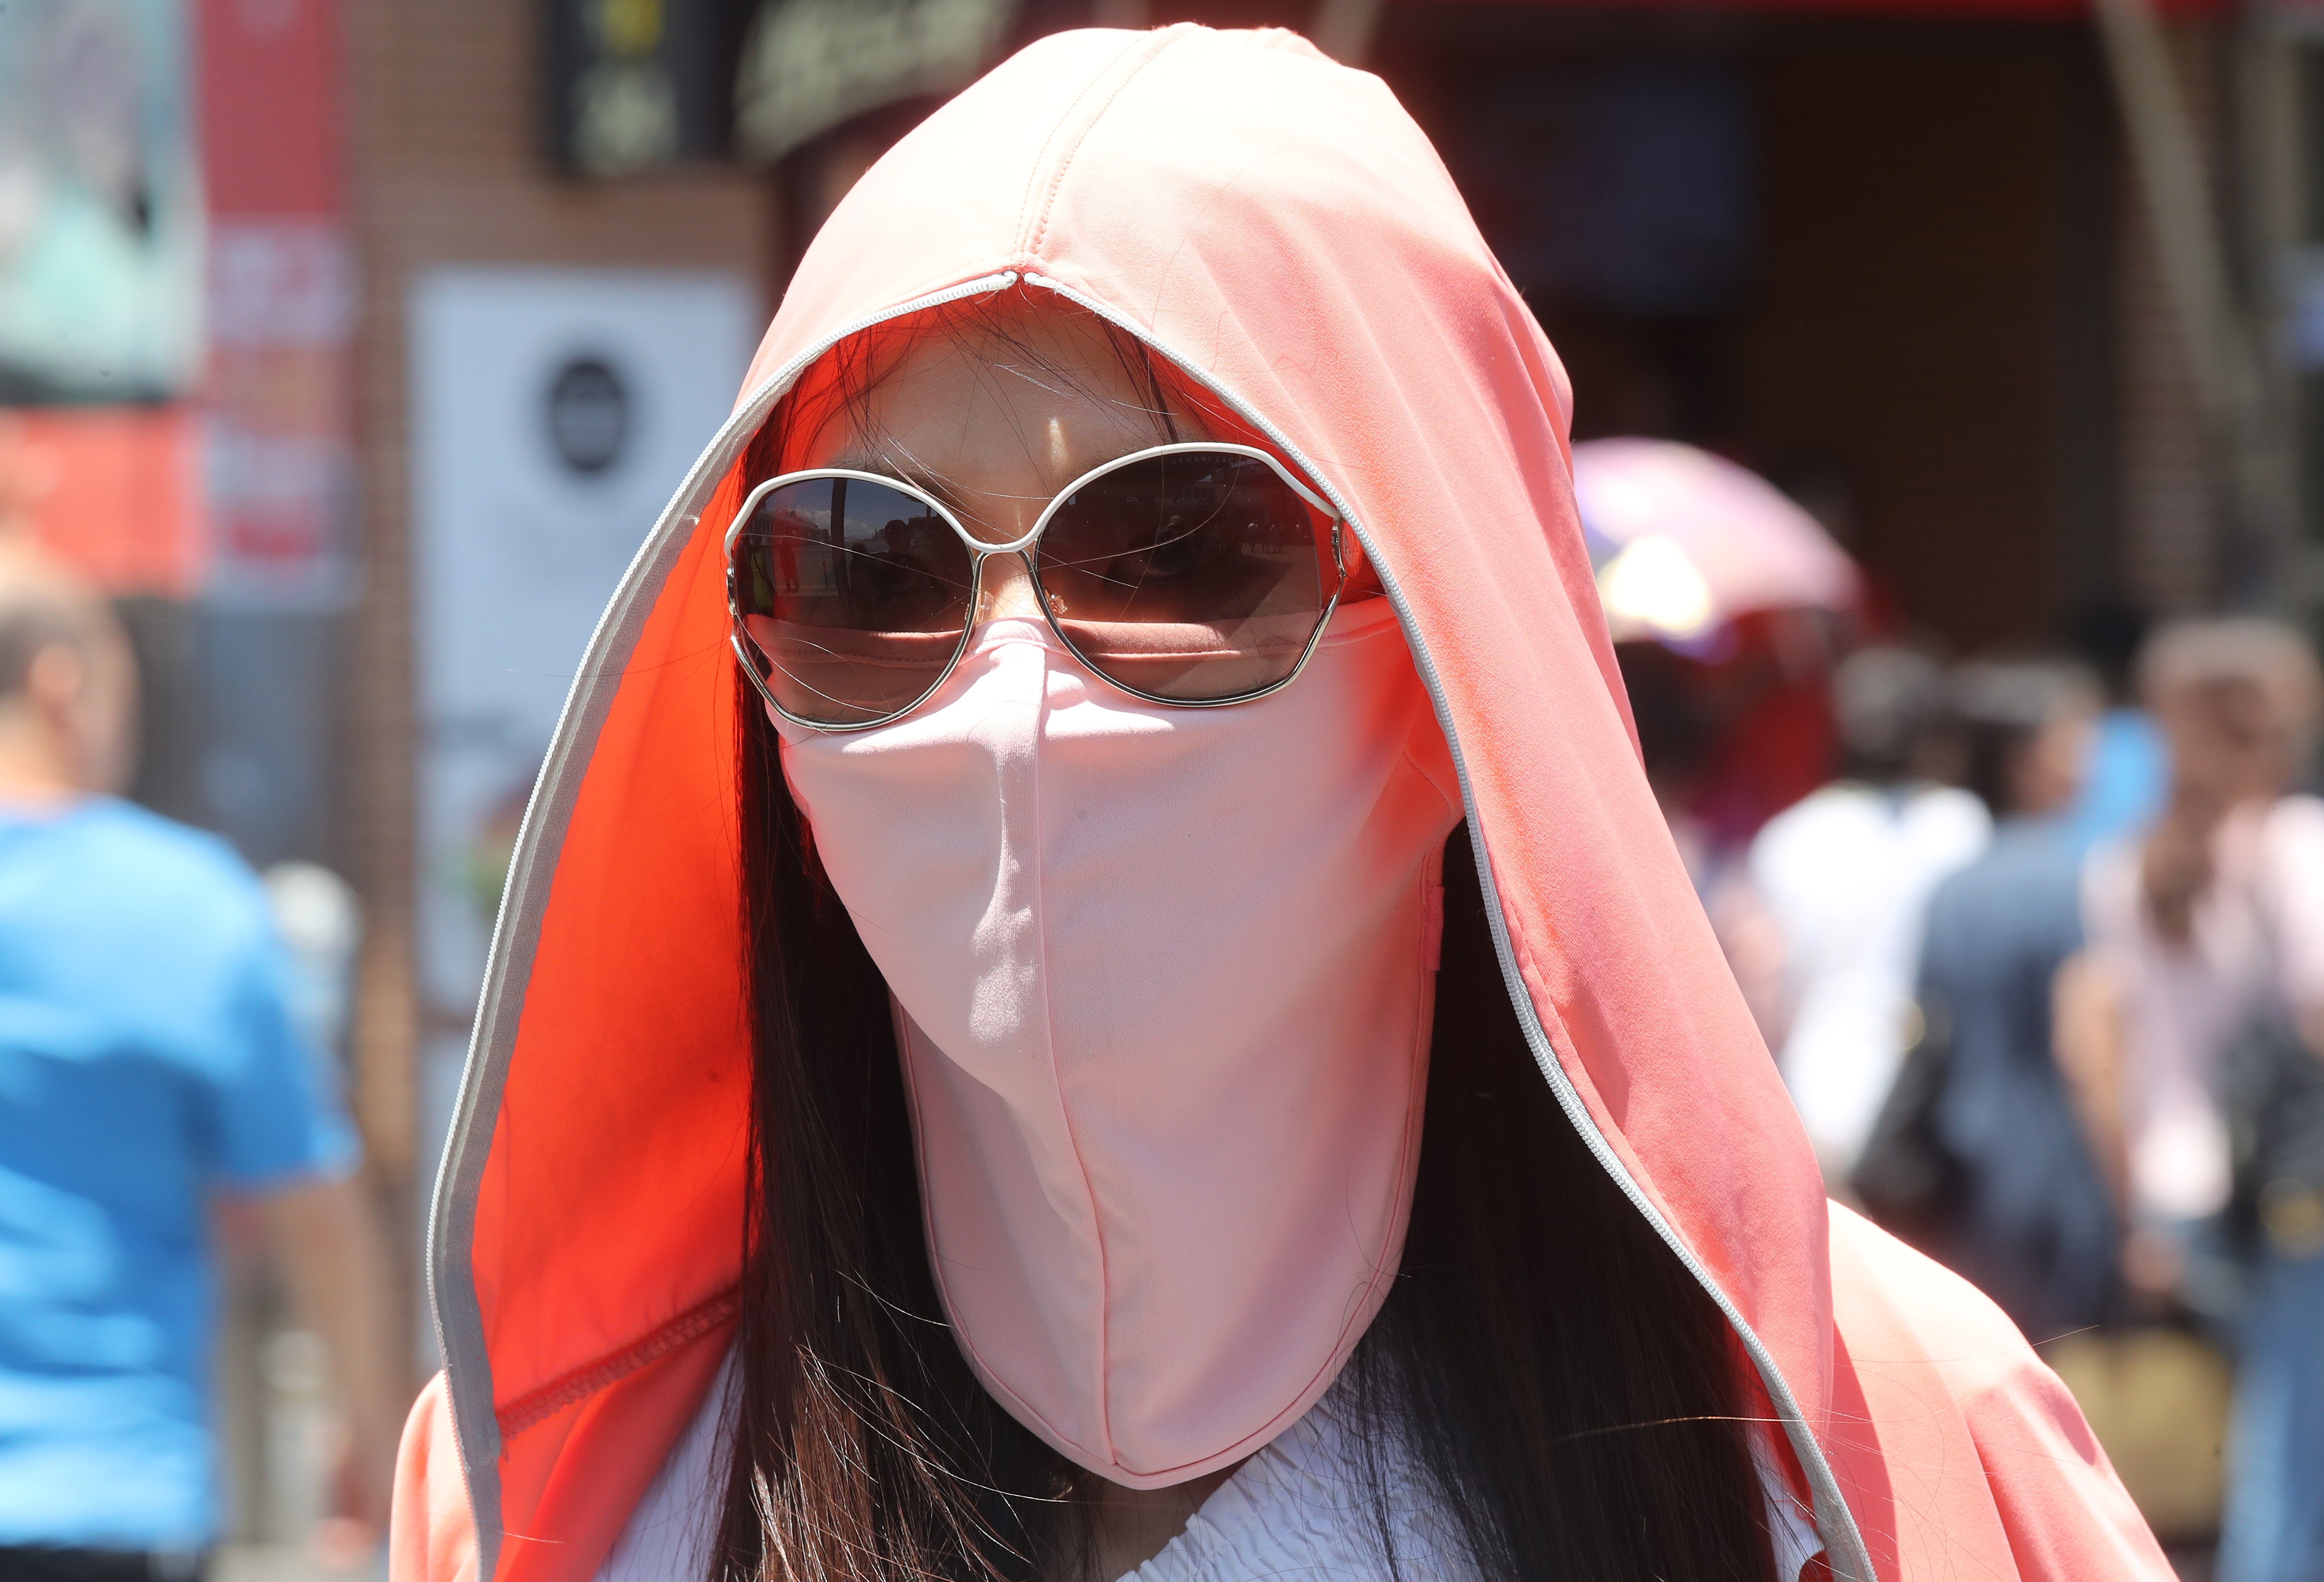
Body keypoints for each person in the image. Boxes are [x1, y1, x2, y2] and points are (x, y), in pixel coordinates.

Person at [392, 26, 2167, 1582]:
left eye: (1175, 546)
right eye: (868, 567)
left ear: (1451, 647)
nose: (1007, 694)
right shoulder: (569, 1486)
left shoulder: (1861, 1443)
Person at [0, 544, 401, 1575]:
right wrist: (366, 1436)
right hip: (111, 1496)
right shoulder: (186, 907)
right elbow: (315, 1211)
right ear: (64, 685)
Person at [2074, 618, 2324, 1582]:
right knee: (2287, 1453)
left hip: (2178, 1189)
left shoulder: (2123, 865)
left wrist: (2133, 1202)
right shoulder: (2295, 845)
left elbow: (2104, 1054)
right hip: (2287, 1189)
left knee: (2262, 1436)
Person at [1853, 659, 2116, 1339]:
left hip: (1966, 1170)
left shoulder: (1951, 888)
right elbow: (2087, 1049)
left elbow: (1924, 1031)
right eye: (2074, 743)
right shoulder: (2082, 882)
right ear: (2027, 760)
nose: (2089, 764)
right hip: (2062, 1176)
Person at [1746, 647, 1991, 1182]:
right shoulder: (1963, 828)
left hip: (1819, 1099)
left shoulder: (1790, 838)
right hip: (1932, 1113)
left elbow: (1767, 995)